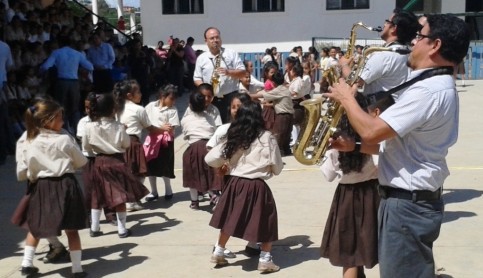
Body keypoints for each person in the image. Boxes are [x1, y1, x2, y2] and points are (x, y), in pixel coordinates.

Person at [325, 14, 470, 278]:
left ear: (435, 45)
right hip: (407, 202)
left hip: (407, 206)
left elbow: (371, 132)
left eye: (420, 36)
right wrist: (354, 147)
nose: (414, 42)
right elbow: (402, 148)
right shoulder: (432, 85)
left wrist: (347, 98)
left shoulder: (427, 92)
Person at [206, 101, 283, 273]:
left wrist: (224, 164)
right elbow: (277, 168)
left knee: (230, 218)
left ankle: (219, 250)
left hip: (235, 183)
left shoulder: (234, 136)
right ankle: (265, 259)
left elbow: (210, 158)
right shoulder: (267, 137)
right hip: (256, 184)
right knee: (266, 220)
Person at [16, 99, 88, 277]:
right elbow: (81, 161)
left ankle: (26, 264)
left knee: (36, 226)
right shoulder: (64, 139)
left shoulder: (27, 139)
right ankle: (77, 269)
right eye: (60, 118)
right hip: (66, 185)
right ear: (48, 120)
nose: (63, 121)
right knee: (72, 229)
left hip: (41, 186)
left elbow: (23, 170)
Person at [319, 94, 380, 278]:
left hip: (346, 197)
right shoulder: (372, 140)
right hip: (373, 195)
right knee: (372, 244)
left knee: (350, 255)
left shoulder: (337, 144)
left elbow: (328, 175)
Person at [82, 93, 149, 239]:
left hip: (99, 162)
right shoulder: (119, 127)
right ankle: (122, 229)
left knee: (97, 195)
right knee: (119, 196)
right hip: (116, 162)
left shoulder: (89, 127)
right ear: (113, 110)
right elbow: (126, 144)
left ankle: (94, 228)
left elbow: (86, 146)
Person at [339, 8, 420, 97]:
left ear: (393, 28)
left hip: (379, 109)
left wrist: (344, 64)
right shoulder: (408, 53)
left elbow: (355, 81)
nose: (384, 24)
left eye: (387, 22)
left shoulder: (384, 56)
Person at [114, 79, 163, 211]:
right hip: (132, 142)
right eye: (138, 92)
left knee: (125, 172)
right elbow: (150, 128)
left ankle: (125, 199)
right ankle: (132, 200)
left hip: (117, 143)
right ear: (129, 95)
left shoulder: (116, 108)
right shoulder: (138, 109)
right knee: (138, 172)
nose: (141, 94)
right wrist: (163, 129)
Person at [39, 36, 94, 134]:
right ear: (72, 44)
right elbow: (90, 67)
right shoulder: (77, 54)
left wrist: (41, 71)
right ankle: (78, 131)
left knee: (60, 106)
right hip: (74, 82)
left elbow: (46, 66)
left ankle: (62, 130)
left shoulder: (57, 52)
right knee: (74, 108)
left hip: (61, 82)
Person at [181, 84, 222, 209]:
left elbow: (186, 134)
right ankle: (213, 195)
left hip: (192, 149)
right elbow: (214, 130)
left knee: (193, 176)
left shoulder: (186, 119)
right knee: (208, 174)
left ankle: (195, 202)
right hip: (209, 147)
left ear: (190, 104)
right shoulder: (209, 117)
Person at [193, 27, 246, 123]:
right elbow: (197, 78)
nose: (215, 40)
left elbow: (243, 72)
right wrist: (206, 91)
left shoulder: (231, 54)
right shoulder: (202, 58)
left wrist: (228, 72)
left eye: (217, 37)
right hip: (210, 99)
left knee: (232, 124)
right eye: (212, 38)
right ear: (206, 41)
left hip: (230, 97)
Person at [144, 84, 180, 201]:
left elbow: (171, 128)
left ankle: (168, 189)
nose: (173, 102)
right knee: (150, 167)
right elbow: (145, 123)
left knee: (165, 165)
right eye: (171, 98)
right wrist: (161, 127)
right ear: (162, 96)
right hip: (152, 141)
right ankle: (154, 191)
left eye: (175, 99)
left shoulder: (172, 110)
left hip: (165, 142)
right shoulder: (150, 106)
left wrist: (158, 128)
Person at [251, 71, 294, 156]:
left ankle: (278, 153)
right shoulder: (285, 89)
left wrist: (250, 95)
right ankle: (286, 150)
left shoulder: (277, 90)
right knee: (286, 134)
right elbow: (281, 101)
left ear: (274, 82)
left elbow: (264, 95)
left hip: (282, 116)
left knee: (278, 134)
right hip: (290, 115)